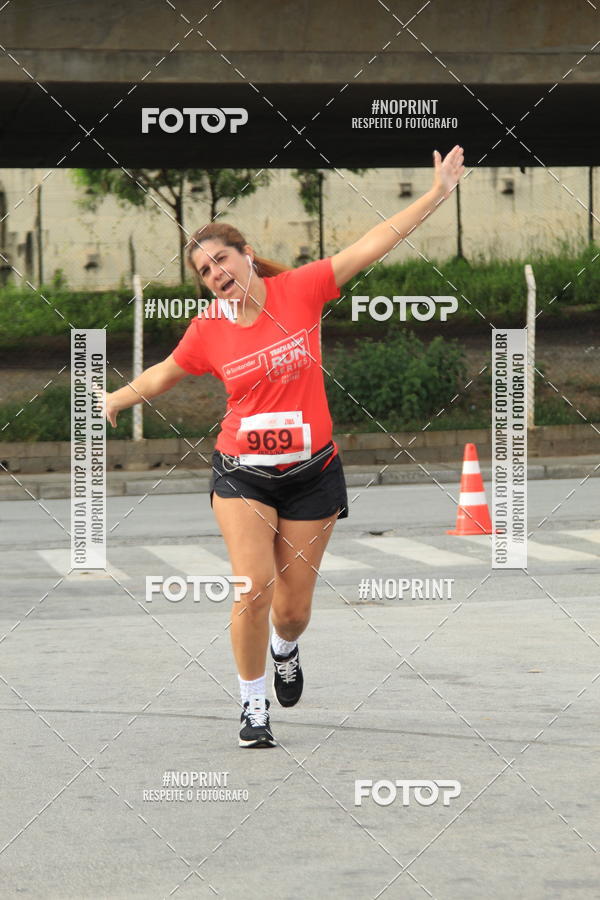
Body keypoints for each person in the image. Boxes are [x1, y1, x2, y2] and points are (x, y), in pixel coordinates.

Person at [105, 146, 465, 748]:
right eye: (204, 270)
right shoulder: (207, 331)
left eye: (222, 258)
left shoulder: (301, 290)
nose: (216, 272)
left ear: (246, 256)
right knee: (253, 587)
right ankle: (252, 705)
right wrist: (118, 399)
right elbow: (165, 372)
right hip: (242, 474)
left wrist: (435, 195)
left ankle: (285, 648)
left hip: (312, 474)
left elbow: (372, 243)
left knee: (292, 609)